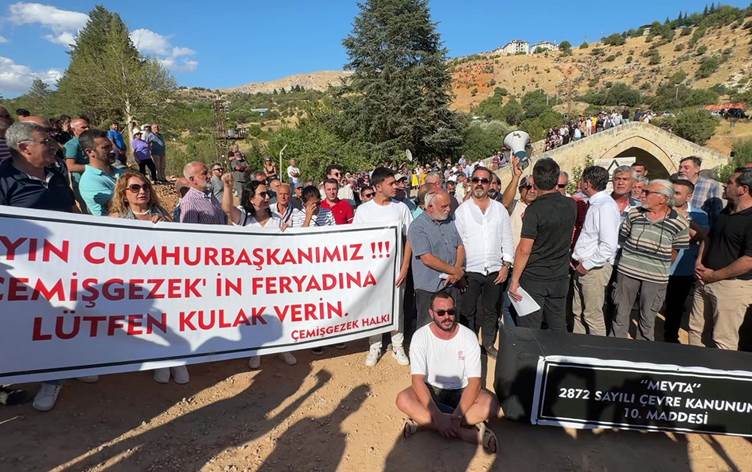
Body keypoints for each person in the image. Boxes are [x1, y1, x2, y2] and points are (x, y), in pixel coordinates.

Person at [1, 120, 94, 411]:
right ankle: (45, 377)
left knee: (67, 319)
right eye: (46, 142)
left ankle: (63, 371)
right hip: (25, 276)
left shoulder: (55, 173)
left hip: (66, 266)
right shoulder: (3, 181)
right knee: (33, 325)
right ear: (25, 148)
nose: (54, 146)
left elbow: (71, 209)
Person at [395, 292, 498, 454]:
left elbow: (474, 383)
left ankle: (424, 422)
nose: (446, 316)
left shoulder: (468, 337)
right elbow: (417, 381)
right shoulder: (420, 336)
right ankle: (468, 434)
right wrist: (438, 416)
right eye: (441, 312)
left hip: (461, 390)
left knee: (490, 406)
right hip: (432, 388)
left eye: (450, 312)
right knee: (403, 399)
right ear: (431, 313)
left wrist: (456, 417)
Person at [220, 173, 298, 368]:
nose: (266, 198)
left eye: (266, 194)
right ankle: (257, 351)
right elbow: (227, 209)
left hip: (274, 278)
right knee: (255, 316)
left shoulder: (278, 219)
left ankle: (282, 347)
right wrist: (228, 187)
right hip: (251, 279)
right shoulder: (244, 218)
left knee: (278, 314)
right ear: (251, 198)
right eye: (262, 194)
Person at [612, 180, 690, 341]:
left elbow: (676, 250)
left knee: (647, 318)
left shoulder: (680, 222)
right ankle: (614, 349)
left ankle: (643, 354)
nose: (642, 195)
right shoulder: (634, 213)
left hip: (655, 278)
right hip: (627, 273)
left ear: (663, 198)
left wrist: (657, 265)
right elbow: (623, 237)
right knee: (620, 313)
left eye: (647, 192)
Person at [353, 166, 413, 367]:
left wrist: (405, 267)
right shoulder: (363, 211)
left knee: (397, 308)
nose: (395, 186)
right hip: (372, 271)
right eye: (391, 183)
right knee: (374, 307)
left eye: (395, 182)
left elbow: (410, 239)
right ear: (378, 187)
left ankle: (398, 345)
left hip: (396, 269)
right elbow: (355, 243)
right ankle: (375, 345)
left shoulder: (401, 208)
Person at [509, 158, 576, 332]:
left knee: (529, 327)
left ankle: (530, 360)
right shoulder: (571, 205)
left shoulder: (533, 210)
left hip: (534, 277)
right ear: (556, 180)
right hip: (560, 276)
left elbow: (524, 249)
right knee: (557, 324)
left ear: (535, 182)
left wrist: (515, 280)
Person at [688, 168, 752, 350]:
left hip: (732, 287)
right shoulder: (727, 211)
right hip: (704, 279)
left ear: (743, 189)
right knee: (696, 330)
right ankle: (694, 372)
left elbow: (748, 260)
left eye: (731, 182)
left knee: (723, 339)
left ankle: (719, 378)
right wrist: (699, 262)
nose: (725, 185)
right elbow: (709, 237)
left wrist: (714, 275)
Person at [455, 166, 513, 358]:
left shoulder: (499, 210)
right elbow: (459, 243)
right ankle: (469, 346)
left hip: (495, 269)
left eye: (484, 180)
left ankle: (488, 343)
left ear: (490, 184)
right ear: (470, 182)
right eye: (476, 180)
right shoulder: (462, 211)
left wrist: (506, 265)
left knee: (491, 310)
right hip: (470, 270)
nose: (479, 184)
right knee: (468, 311)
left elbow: (507, 238)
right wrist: (459, 271)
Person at [570, 166, 620, 336]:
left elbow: (608, 245)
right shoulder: (597, 204)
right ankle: (579, 351)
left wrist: (588, 265)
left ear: (587, 183)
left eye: (582, 179)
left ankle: (597, 355)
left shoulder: (604, 206)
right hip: (584, 266)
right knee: (578, 312)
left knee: (592, 315)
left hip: (594, 269)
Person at [408, 190, 464, 328]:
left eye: (448, 205)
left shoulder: (449, 220)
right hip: (429, 287)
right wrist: (455, 271)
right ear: (430, 207)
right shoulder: (417, 226)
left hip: (451, 284)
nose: (448, 209)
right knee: (428, 327)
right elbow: (427, 258)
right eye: (443, 206)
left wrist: (456, 271)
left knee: (452, 325)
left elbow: (460, 246)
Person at [664, 178, 709, 343]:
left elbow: (698, 237)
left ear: (688, 197)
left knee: (675, 308)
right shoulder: (661, 209)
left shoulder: (699, 215)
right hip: (657, 267)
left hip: (681, 269)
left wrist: (686, 220)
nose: (672, 196)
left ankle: (670, 340)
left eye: (676, 193)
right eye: (671, 191)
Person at [78, 129, 125, 216]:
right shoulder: (89, 181)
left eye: (111, 146)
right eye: (105, 147)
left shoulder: (121, 172)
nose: (112, 150)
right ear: (89, 152)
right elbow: (119, 206)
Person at [678, 156, 724, 226]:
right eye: (680, 167)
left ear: (697, 169)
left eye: (686, 168)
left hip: (699, 230)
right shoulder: (676, 184)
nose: (681, 170)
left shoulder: (711, 185)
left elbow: (716, 212)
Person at [63, 116, 90, 211]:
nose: (87, 129)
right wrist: (93, 168)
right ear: (74, 129)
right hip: (82, 184)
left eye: (88, 126)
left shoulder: (89, 141)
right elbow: (70, 166)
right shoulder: (72, 145)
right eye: (83, 127)